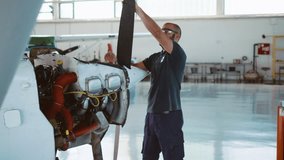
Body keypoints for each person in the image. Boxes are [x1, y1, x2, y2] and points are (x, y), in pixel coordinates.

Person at [133, 3, 187, 160]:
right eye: (163, 30)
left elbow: (156, 32)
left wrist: (137, 10)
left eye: (168, 31)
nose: (163, 33)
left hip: (169, 114)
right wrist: (115, 60)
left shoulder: (177, 54)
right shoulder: (156, 57)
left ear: (177, 37)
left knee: (173, 156)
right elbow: (135, 68)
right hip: (151, 115)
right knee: (148, 155)